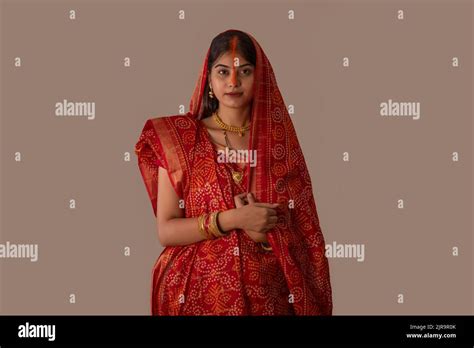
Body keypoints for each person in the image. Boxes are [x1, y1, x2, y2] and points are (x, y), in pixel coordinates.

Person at [135, 29, 333, 315]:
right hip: (197, 295)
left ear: (259, 78)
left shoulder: (279, 145)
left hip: (270, 296)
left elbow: (305, 235)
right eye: (223, 71)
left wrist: (265, 236)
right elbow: (166, 230)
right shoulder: (182, 138)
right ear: (209, 81)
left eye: (245, 71)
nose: (233, 82)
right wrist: (234, 219)